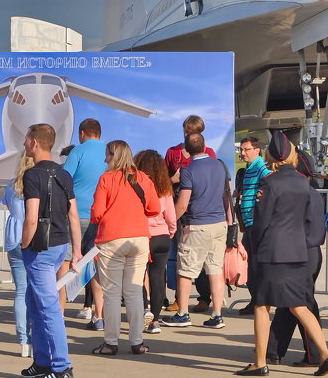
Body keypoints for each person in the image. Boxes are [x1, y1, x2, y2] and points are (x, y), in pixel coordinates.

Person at [236, 132, 328, 377]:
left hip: (272, 253)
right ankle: (325, 354)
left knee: (261, 306)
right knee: (300, 306)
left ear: (270, 156)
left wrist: (253, 246)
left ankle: (260, 362)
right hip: (298, 252)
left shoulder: (269, 183)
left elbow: (261, 222)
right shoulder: (304, 184)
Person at [20, 123, 83, 378]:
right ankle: (43, 361)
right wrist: (77, 251)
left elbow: (31, 218)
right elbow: (74, 215)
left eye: (26, 139)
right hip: (59, 245)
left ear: (34, 142)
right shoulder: (64, 175)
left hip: (39, 249)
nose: (24, 143)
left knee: (47, 307)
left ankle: (61, 367)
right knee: (35, 305)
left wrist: (23, 245)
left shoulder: (32, 175)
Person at [89, 140, 160, 356]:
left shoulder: (106, 179)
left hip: (112, 240)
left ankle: (111, 342)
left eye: (107, 155)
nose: (105, 159)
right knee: (134, 291)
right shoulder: (143, 178)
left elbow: (97, 212)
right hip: (139, 239)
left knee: (111, 293)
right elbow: (154, 208)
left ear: (113, 155)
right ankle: (137, 341)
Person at [161, 132, 232, 330]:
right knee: (215, 270)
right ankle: (217, 314)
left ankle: (183, 313)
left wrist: (170, 222)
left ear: (186, 149)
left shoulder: (188, 170)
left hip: (197, 225)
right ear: (204, 145)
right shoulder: (219, 165)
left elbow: (183, 203)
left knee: (185, 270)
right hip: (219, 223)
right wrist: (229, 220)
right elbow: (226, 195)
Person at [269, 146, 326, 367]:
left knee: (301, 303)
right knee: (291, 302)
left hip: (300, 252)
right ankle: (274, 349)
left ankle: (314, 353)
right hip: (307, 251)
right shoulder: (309, 191)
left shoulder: (301, 192)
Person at [164, 115, 219, 314]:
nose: (189, 134)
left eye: (194, 132)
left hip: (201, 212)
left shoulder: (209, 153)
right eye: (187, 131)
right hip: (180, 210)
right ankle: (180, 299)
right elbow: (163, 183)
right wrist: (173, 179)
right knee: (180, 257)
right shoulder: (172, 152)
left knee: (204, 258)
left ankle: (204, 298)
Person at [62, 118, 106, 328]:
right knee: (96, 265)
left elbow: (64, 179)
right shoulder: (110, 152)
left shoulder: (77, 152)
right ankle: (99, 316)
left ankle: (58, 314)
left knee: (66, 263)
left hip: (76, 214)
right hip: (102, 216)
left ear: (82, 134)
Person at [134, 149, 176, 335]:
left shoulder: (136, 185)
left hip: (143, 235)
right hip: (163, 236)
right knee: (158, 277)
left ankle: (145, 310)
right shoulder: (164, 187)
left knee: (139, 276)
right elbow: (171, 215)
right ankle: (156, 321)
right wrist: (171, 231)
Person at [1, 152, 34, 356]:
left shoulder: (11, 185)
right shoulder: (37, 183)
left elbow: (7, 203)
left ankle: (23, 339)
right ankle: (33, 335)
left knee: (21, 290)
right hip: (32, 236)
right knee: (35, 290)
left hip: (14, 236)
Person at [234, 136, 269, 314]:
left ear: (257, 150)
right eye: (241, 149)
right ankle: (256, 300)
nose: (243, 153)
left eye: (246, 149)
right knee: (248, 263)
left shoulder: (261, 168)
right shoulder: (249, 169)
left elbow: (270, 185)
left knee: (252, 264)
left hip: (256, 224)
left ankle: (259, 301)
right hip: (249, 223)